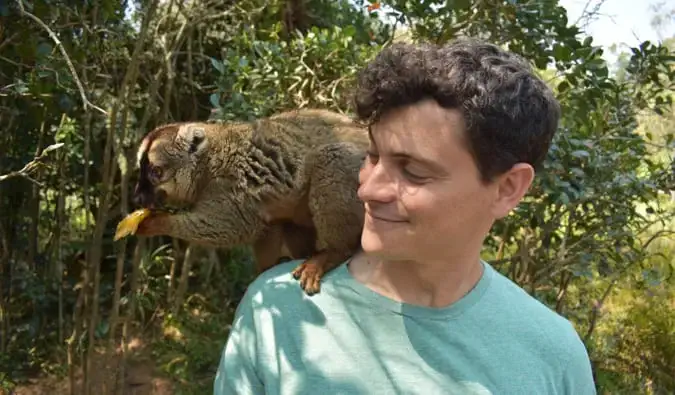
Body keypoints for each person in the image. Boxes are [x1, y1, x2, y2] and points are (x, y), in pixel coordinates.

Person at [213, 37, 596, 394]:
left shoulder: (553, 356)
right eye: (373, 156)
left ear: (507, 188)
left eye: (413, 172)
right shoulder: (276, 309)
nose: (367, 189)